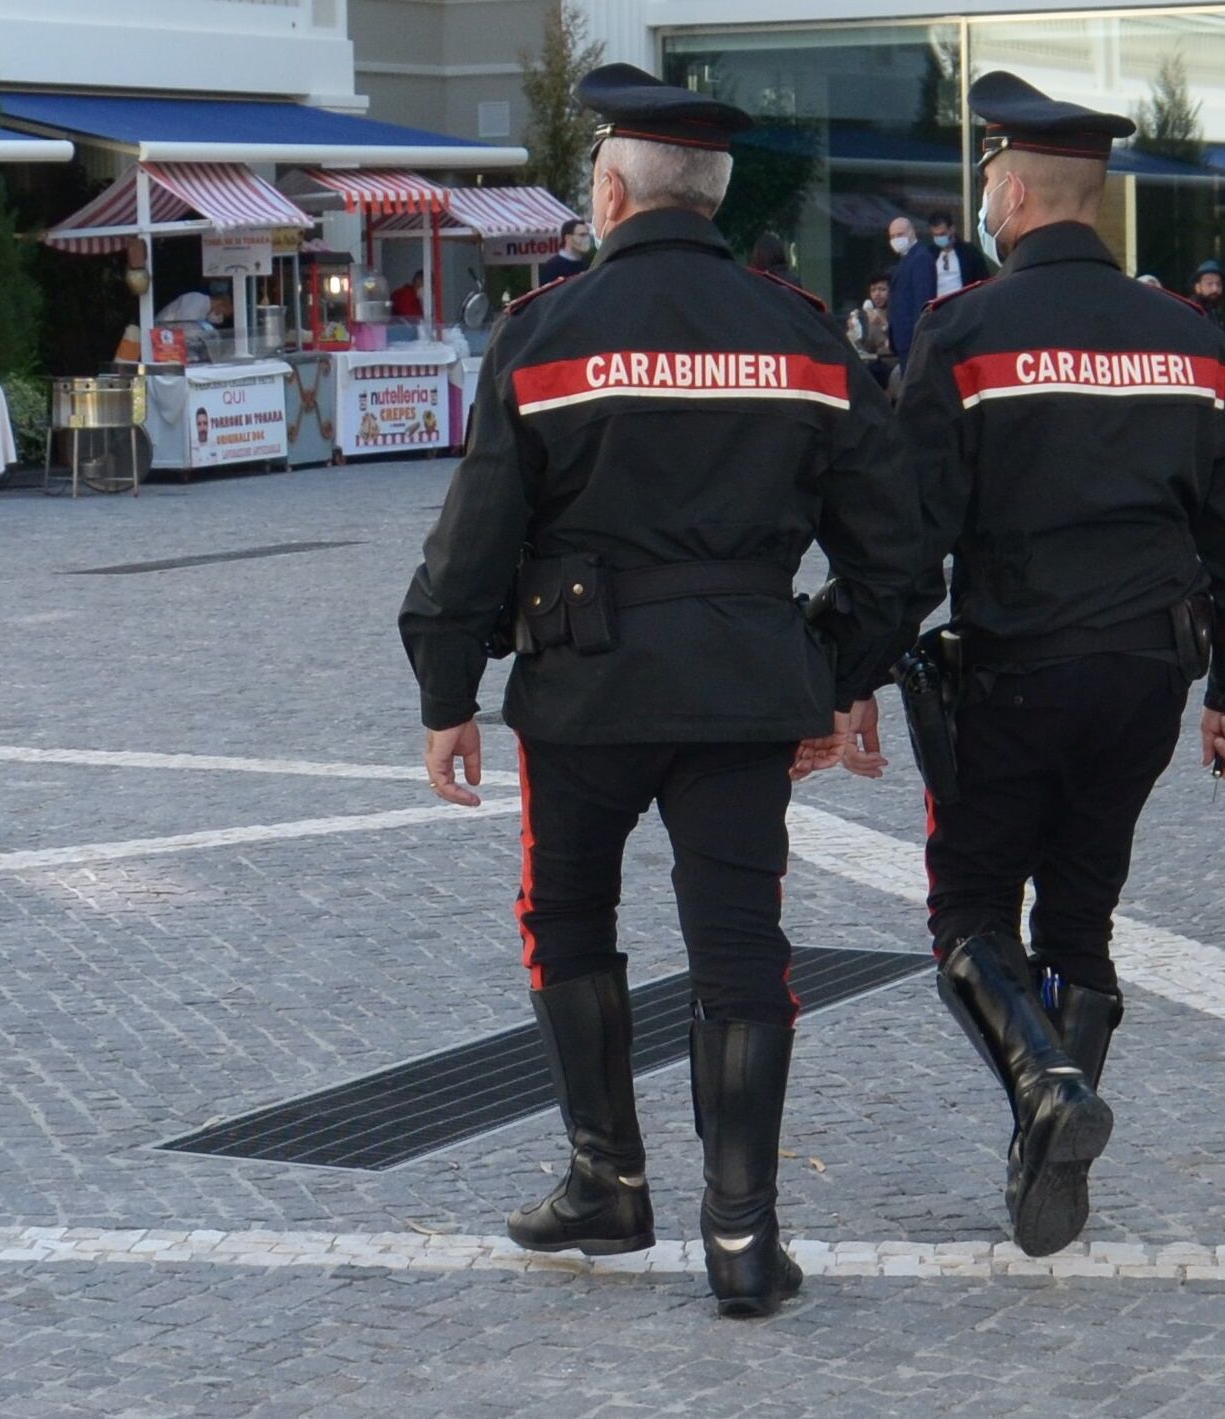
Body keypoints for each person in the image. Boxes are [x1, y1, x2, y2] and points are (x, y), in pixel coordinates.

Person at [399, 62, 919, 1319]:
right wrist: (827, 670)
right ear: (714, 196)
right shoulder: (804, 332)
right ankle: (742, 1235)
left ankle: (606, 1180)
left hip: (582, 689)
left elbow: (475, 534)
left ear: (613, 192)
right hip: (742, 689)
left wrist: (446, 688)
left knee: (567, 918)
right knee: (741, 946)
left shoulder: (546, 329)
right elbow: (899, 553)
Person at [885, 70, 1225, 1258]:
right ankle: (1043, 1162)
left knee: (968, 908)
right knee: (1080, 914)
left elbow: (908, 536)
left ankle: (1048, 1088)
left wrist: (849, 670)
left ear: (1011, 195)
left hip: (1012, 674)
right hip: (1147, 677)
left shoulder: (964, 334)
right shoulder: (1193, 340)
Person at [887, 214, 937, 365]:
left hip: (912, 339)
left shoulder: (920, 258)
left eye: (900, 234)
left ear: (912, 232)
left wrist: (918, 336)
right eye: (892, 236)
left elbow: (922, 301)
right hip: (903, 339)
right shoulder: (907, 259)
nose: (896, 239)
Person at [846, 270, 896, 390]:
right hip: (877, 363)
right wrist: (855, 334)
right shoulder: (870, 315)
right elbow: (868, 349)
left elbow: (899, 341)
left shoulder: (897, 312)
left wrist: (883, 324)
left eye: (882, 289)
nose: (877, 294)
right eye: (873, 290)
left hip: (893, 363)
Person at [927, 209, 987, 297]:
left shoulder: (969, 253)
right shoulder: (929, 255)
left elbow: (983, 280)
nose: (939, 238)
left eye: (942, 234)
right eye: (935, 235)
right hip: (937, 303)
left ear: (952, 229)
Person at [1190, 259, 1225, 340]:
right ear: (1197, 287)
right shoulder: (1192, 311)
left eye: (1218, 284)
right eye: (1209, 284)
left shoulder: (1221, 310)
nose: (1215, 289)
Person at [537, 218, 594, 283]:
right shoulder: (552, 266)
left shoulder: (587, 265)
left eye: (588, 235)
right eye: (582, 235)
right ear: (568, 238)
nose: (587, 239)